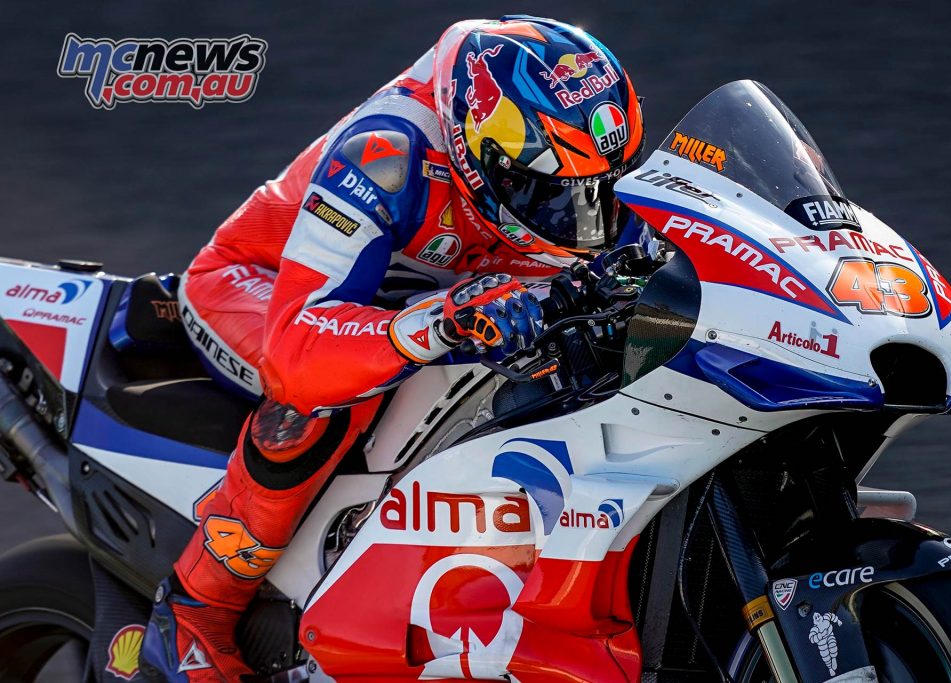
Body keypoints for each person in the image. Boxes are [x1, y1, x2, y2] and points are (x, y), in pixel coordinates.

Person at [141, 15, 645, 681]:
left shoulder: (560, 157)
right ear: (477, 152)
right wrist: (439, 321)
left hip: (427, 288)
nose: (589, 220)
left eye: (605, 185)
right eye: (556, 195)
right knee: (328, 395)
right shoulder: (386, 153)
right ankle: (192, 611)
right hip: (261, 286)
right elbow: (296, 350)